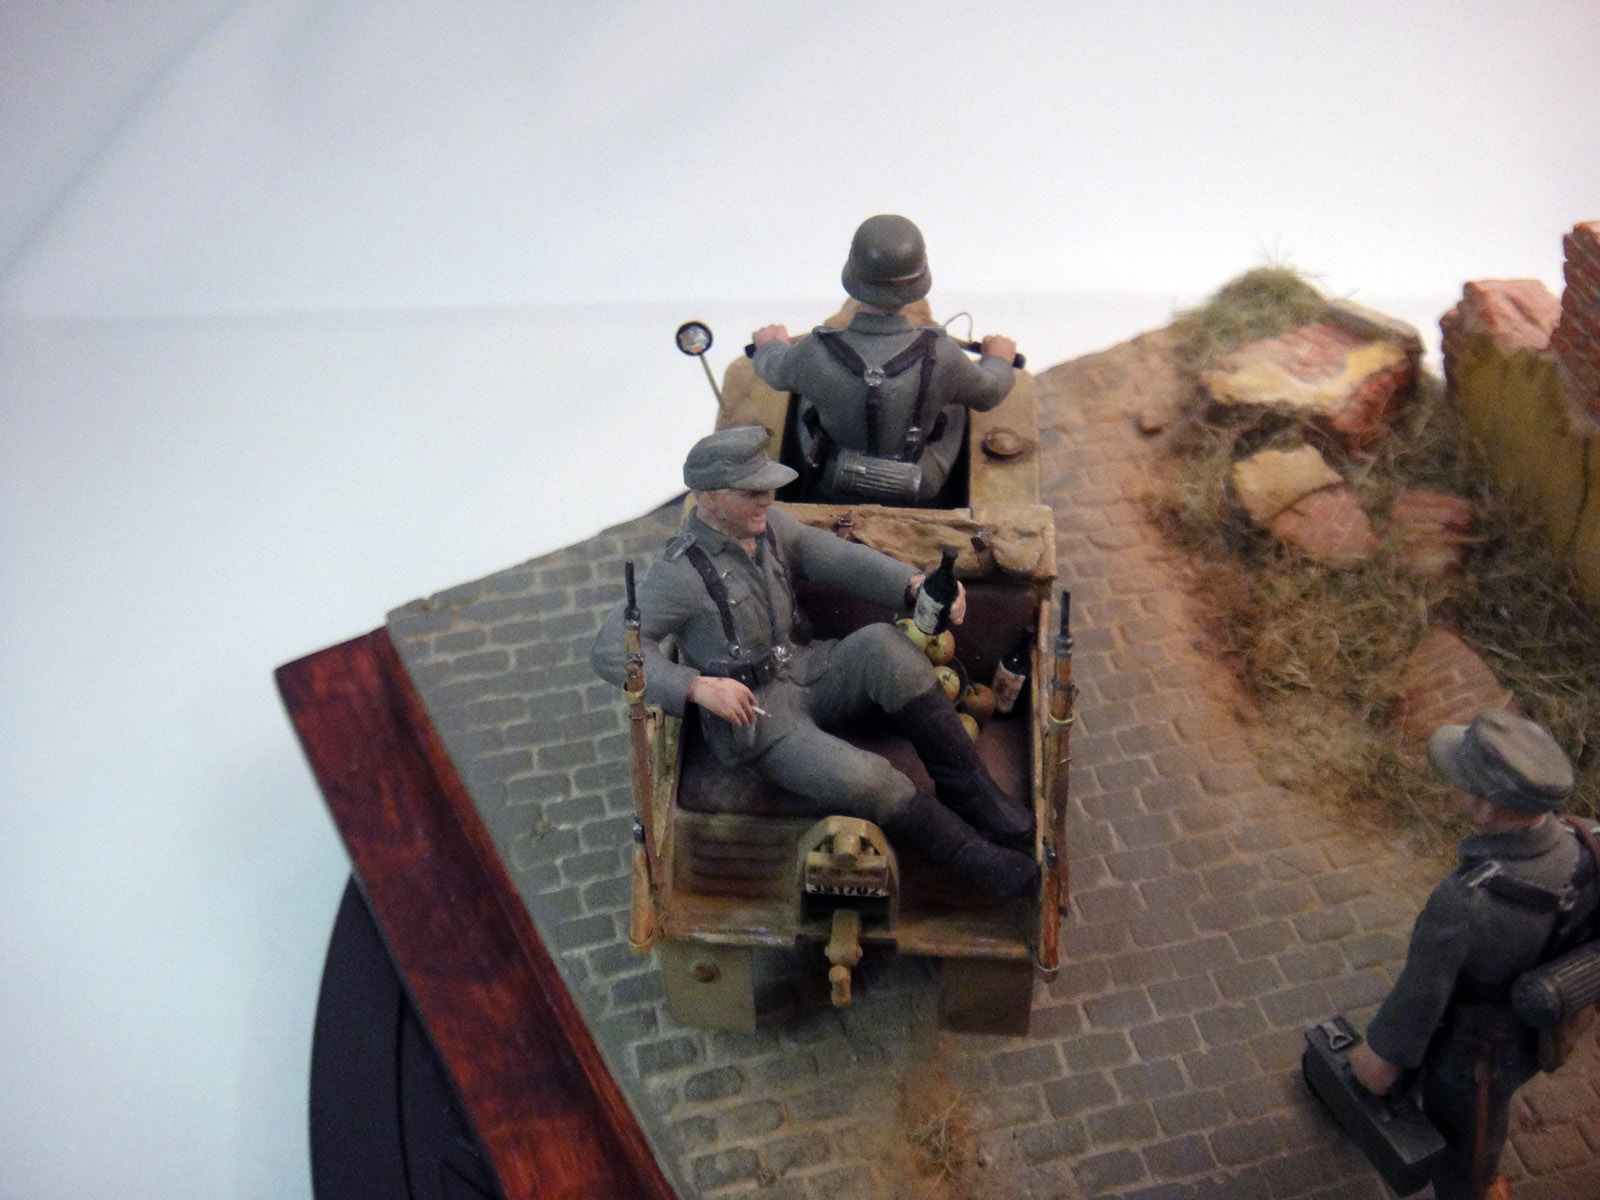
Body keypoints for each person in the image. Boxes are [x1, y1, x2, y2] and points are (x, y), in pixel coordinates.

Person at [590, 426, 1036, 898]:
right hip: (757, 719)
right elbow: (609, 649)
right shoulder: (678, 574)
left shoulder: (770, 529)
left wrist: (912, 586)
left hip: (803, 667)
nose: (766, 499)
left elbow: (835, 558)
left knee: (885, 645)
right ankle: (970, 855)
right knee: (870, 781)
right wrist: (695, 686)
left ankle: (969, 788)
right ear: (709, 498)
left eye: (766, 487)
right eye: (750, 492)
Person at [1348, 708, 1597, 1200]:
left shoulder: (1464, 901)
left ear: (1486, 810)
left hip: (1479, 1049)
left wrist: (1382, 1057)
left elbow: (1420, 996)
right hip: (1549, 1021)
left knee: (1467, 1138)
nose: (1452, 788)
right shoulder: (1589, 840)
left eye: (1461, 783)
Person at [750, 214, 1017, 506]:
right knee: (954, 400)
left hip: (833, 477)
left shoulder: (815, 351)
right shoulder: (944, 354)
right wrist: (998, 359)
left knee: (807, 393)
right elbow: (989, 393)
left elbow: (774, 370)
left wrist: (770, 344)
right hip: (919, 482)